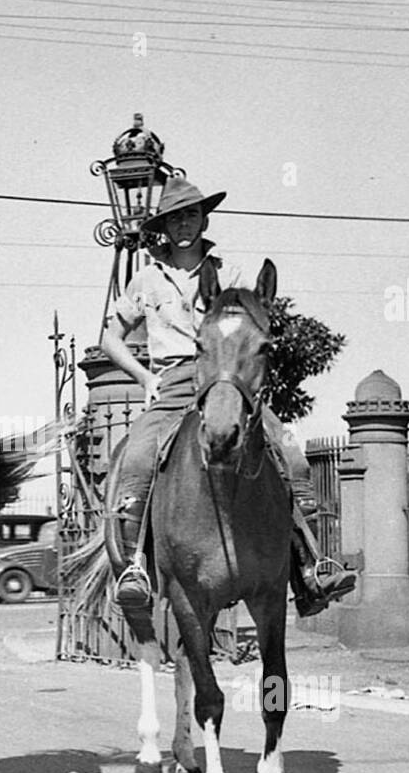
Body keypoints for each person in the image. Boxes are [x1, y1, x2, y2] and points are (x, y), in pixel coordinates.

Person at [100, 175, 357, 615]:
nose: (185, 225)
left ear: (204, 219)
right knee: (138, 458)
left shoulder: (230, 272)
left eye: (193, 215)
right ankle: (136, 569)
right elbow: (110, 338)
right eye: (176, 217)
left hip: (228, 381)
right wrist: (144, 378)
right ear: (164, 224)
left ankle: (313, 566)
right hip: (173, 382)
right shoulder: (145, 279)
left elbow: (256, 327)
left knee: (291, 455)